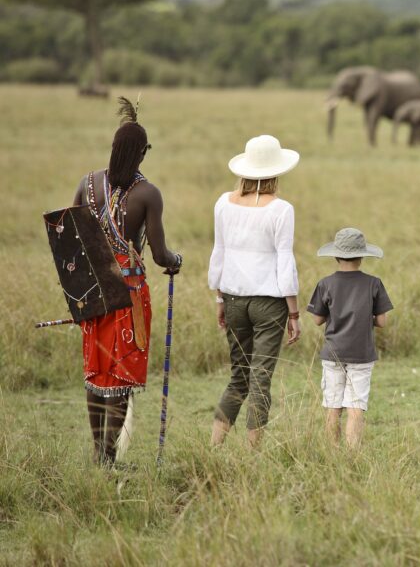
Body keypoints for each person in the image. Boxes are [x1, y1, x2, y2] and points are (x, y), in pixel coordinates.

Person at [72, 97, 182, 466]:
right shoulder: (148, 194)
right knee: (121, 373)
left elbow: (71, 239)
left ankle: (99, 453)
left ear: (114, 148)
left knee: (97, 371)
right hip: (128, 295)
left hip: (91, 292)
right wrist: (176, 262)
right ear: (142, 153)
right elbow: (160, 255)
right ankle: (109, 458)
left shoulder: (87, 184)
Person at [208, 135, 301, 449]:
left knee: (239, 376)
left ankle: (214, 447)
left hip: (233, 298)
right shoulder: (282, 209)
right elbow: (284, 260)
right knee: (261, 378)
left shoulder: (223, 202)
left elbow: (218, 252)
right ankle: (253, 454)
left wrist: (219, 298)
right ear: (276, 172)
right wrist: (294, 312)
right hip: (269, 303)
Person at [307, 228, 393, 448]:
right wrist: (365, 318)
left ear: (336, 256)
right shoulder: (374, 283)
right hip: (362, 354)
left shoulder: (325, 283)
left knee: (332, 406)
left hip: (333, 353)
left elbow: (317, 320)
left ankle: (332, 454)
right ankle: (352, 455)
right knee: (356, 406)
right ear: (362, 257)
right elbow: (382, 321)